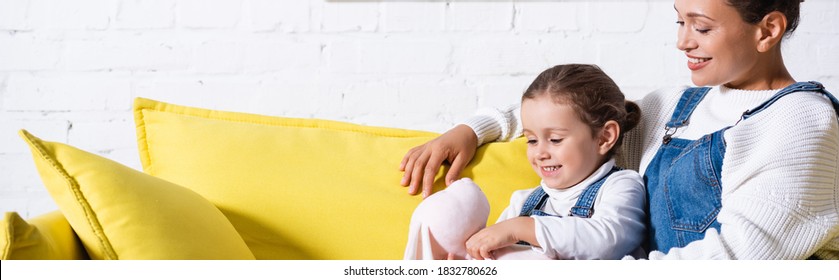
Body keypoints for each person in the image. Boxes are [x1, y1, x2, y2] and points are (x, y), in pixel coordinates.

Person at [400, 0, 839, 259]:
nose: (682, 41)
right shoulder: (678, 104)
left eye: (701, 26)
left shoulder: (800, 123)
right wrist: (471, 131)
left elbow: (735, 260)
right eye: (679, 21)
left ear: (769, 30)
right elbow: (572, 114)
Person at [404, 64, 646, 260]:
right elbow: (495, 253)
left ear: (605, 137)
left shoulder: (621, 185)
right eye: (531, 140)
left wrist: (520, 228)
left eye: (555, 139)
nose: (540, 152)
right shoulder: (523, 201)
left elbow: (607, 240)